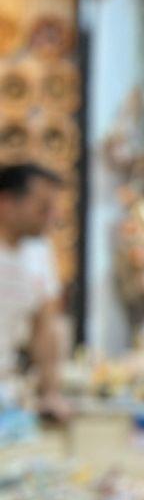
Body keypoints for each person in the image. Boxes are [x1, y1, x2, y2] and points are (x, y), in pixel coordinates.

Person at [0, 164, 69, 420]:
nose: (52, 216)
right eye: (43, 208)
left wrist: (50, 392)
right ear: (6, 204)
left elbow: (45, 325)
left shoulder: (39, 252)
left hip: (7, 390)